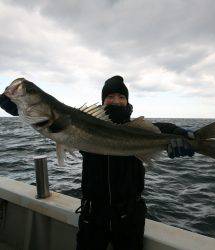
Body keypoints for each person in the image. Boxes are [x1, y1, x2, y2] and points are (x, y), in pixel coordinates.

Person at [0, 76, 195, 250]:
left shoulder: (139, 130)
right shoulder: (79, 121)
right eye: (110, 97)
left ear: (127, 101)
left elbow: (160, 129)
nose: (116, 101)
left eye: (121, 96)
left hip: (129, 216)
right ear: (103, 101)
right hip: (93, 216)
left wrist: (185, 135)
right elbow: (53, 115)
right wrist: (19, 104)